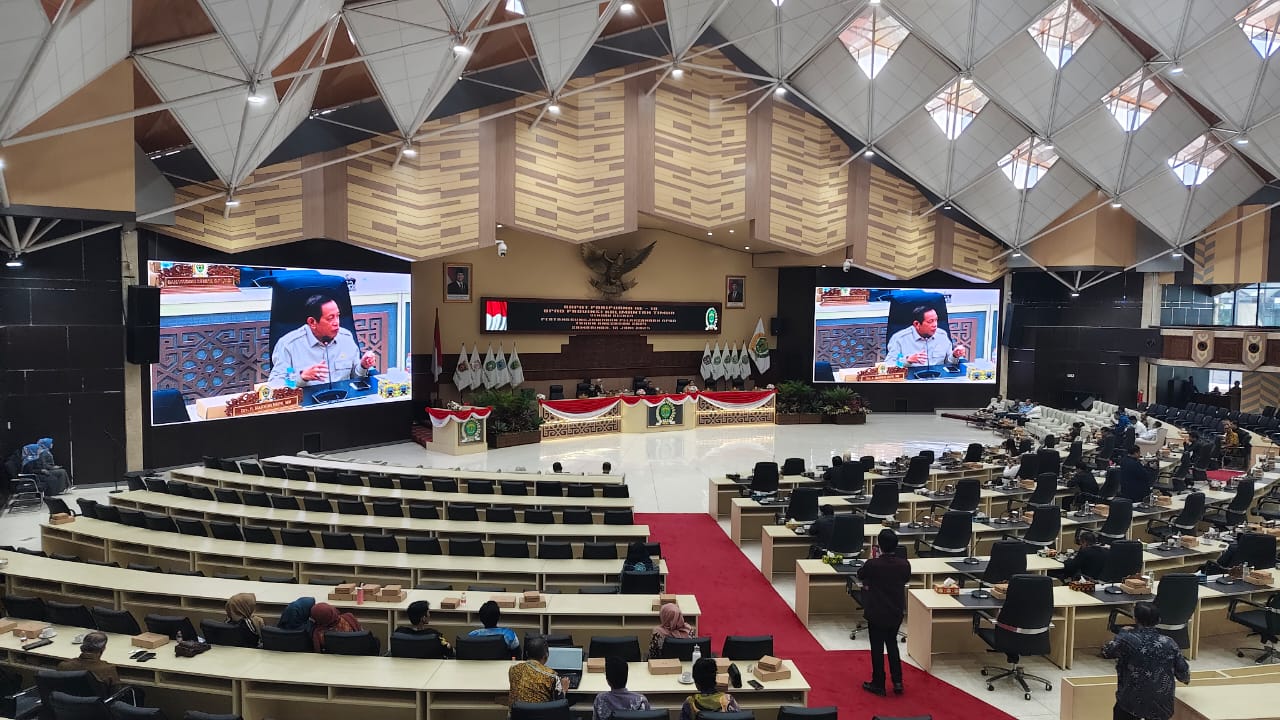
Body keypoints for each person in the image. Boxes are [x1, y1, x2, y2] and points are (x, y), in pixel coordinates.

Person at [1102, 602, 1190, 720]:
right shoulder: (1169, 643)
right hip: (1162, 706)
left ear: (1135, 619)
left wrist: (1122, 633)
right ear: (1158, 620)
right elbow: (1184, 674)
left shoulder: (1126, 639)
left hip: (1130, 703)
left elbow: (1107, 652)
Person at [268, 294, 375, 387]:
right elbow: (275, 384)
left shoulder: (346, 337)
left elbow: (355, 377)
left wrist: (363, 366)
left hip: (343, 399)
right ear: (312, 322)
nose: (336, 322)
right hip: (307, 402)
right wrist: (301, 378)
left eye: (337, 316)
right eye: (330, 318)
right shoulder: (289, 345)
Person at [856, 529, 911, 696]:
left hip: (877, 612)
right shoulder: (904, 564)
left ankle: (878, 683)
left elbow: (860, 575)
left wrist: (871, 560)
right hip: (896, 611)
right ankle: (898, 681)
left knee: (877, 648)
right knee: (892, 644)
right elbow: (905, 579)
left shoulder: (873, 564)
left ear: (879, 545)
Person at [885, 306, 965, 368]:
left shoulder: (942, 335)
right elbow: (888, 364)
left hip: (938, 379)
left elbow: (948, 363)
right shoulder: (900, 339)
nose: (935, 325)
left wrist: (954, 355)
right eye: (930, 321)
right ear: (917, 324)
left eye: (936, 320)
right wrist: (907, 361)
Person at [508, 636, 568, 705]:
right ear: (546, 656)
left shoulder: (513, 669)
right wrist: (564, 689)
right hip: (544, 712)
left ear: (526, 654)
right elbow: (559, 704)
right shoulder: (552, 676)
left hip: (517, 711)